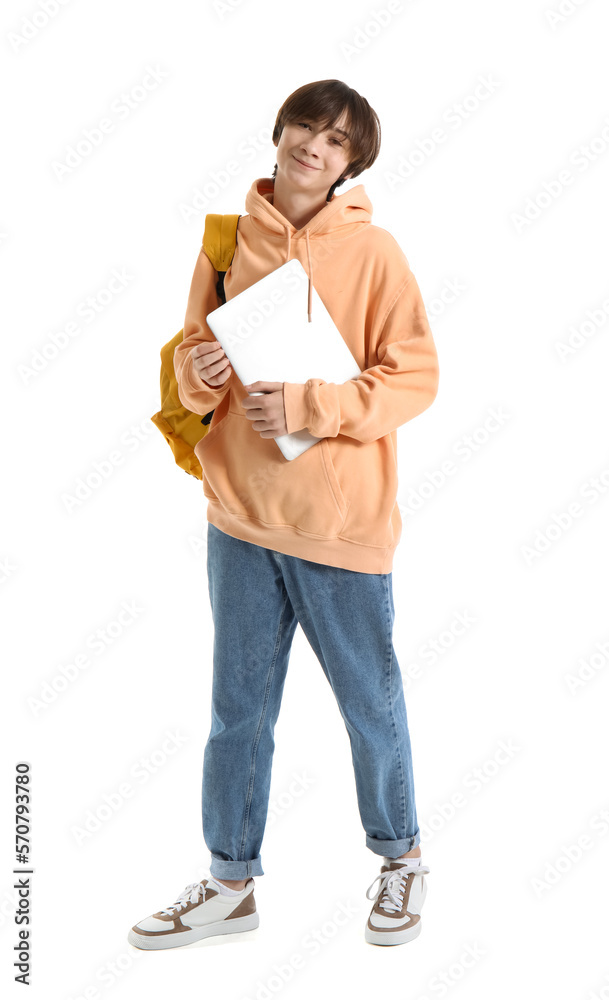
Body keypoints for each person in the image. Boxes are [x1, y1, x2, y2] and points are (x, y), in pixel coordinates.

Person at [129, 79, 439, 951]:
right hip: (236, 521)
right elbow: (189, 355)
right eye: (307, 124)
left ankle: (401, 858)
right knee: (237, 712)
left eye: (338, 140)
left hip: (339, 530)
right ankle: (230, 880)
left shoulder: (375, 253)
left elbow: (414, 376)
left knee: (369, 707)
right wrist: (203, 377)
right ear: (279, 133)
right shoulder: (226, 242)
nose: (316, 144)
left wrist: (310, 403)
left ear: (351, 163)